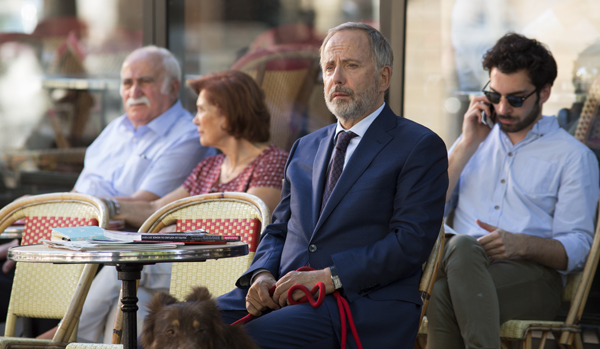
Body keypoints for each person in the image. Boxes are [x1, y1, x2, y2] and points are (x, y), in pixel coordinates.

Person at [215, 22, 449, 349]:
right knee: (172, 326)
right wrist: (262, 274)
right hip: (281, 294)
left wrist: (330, 276)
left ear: (384, 77)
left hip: (356, 304)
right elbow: (279, 227)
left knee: (247, 341)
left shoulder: (419, 145)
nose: (336, 77)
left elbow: (409, 243)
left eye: (351, 65)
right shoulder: (305, 147)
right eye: (328, 67)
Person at [0, 45, 214, 338]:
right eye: (127, 82)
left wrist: (51, 225)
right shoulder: (115, 129)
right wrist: (38, 228)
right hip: (70, 243)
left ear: (173, 87)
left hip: (106, 253)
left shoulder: (187, 137)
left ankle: (46, 341)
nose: (133, 90)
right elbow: (78, 193)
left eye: (145, 81)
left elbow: (147, 208)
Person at [80, 70, 289, 343]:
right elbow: (157, 208)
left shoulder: (272, 161)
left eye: (201, 110)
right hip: (188, 265)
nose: (194, 120)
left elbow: (250, 227)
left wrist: (184, 225)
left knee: (123, 266)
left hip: (232, 267)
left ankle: (70, 333)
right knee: (136, 299)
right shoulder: (209, 167)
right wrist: (104, 207)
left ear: (227, 115)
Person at [426, 33, 600, 349]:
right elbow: (426, 209)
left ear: (544, 92)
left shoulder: (573, 156)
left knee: (445, 287)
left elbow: (577, 249)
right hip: (459, 264)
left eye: (516, 99)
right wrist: (466, 145)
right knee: (461, 252)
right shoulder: (473, 140)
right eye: (495, 96)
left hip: (532, 279)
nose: (503, 108)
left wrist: (521, 245)